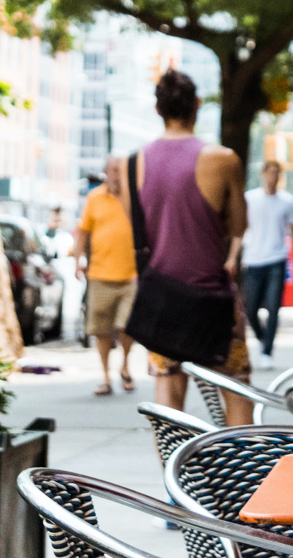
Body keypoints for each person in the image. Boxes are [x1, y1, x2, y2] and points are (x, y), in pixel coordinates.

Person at [120, 70, 253, 425]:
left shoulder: (130, 166)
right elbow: (239, 226)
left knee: (168, 399)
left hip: (161, 299)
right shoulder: (224, 160)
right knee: (237, 389)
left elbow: (136, 225)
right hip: (214, 299)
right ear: (197, 105)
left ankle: (174, 478)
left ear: (157, 108)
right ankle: (240, 476)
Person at [73, 156, 137, 397]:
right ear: (105, 173)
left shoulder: (134, 197)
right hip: (100, 273)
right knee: (101, 330)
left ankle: (126, 366)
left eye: (121, 171)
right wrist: (78, 261)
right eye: (113, 170)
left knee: (126, 326)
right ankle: (105, 376)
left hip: (131, 275)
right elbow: (83, 232)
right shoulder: (94, 198)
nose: (117, 175)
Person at [242, 160, 293, 369]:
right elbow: (241, 228)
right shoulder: (250, 198)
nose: (273, 177)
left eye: (277, 173)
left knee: (274, 307)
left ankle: (267, 351)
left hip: (277, 258)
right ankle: (263, 337)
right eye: (270, 172)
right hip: (254, 259)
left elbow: (292, 231)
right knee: (250, 309)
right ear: (263, 174)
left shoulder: (287, 201)